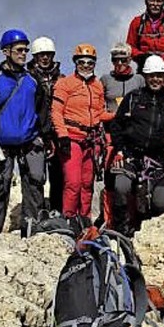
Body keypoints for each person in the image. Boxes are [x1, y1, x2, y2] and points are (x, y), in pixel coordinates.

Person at [0, 29, 50, 237]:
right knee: (0, 186)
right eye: (19, 50)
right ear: (6, 51)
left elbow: (42, 110)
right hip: (1, 143)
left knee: (34, 185)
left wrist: (46, 137)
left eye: (26, 50)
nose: (24, 54)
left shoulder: (33, 79)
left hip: (29, 140)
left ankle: (32, 233)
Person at [109, 55, 164, 236]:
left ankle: (150, 232)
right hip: (130, 155)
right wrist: (121, 150)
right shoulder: (133, 99)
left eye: (159, 76)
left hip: (157, 161)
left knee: (161, 204)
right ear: (145, 77)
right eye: (152, 75)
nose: (156, 79)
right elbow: (116, 125)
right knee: (121, 186)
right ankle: (121, 229)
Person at [51, 44, 105, 220]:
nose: (86, 65)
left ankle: (85, 218)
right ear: (75, 62)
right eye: (82, 62)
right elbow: (56, 112)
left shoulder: (97, 85)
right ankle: (69, 218)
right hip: (71, 138)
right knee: (73, 183)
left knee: (87, 184)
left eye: (90, 62)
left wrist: (121, 114)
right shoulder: (64, 84)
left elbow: (99, 112)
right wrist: (62, 135)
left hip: (91, 140)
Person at [98, 42, 146, 226]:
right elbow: (97, 110)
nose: (119, 63)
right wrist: (117, 116)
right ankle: (111, 220)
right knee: (112, 178)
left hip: (135, 136)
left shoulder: (139, 80)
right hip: (112, 136)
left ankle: (133, 219)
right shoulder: (104, 80)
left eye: (123, 60)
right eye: (115, 60)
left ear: (130, 60)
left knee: (135, 179)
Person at [27, 36, 64, 212]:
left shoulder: (62, 78)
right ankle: (37, 215)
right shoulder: (27, 79)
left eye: (48, 54)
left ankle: (57, 212)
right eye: (41, 55)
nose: (44, 58)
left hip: (57, 133)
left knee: (58, 177)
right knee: (36, 177)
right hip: (35, 132)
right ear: (34, 56)